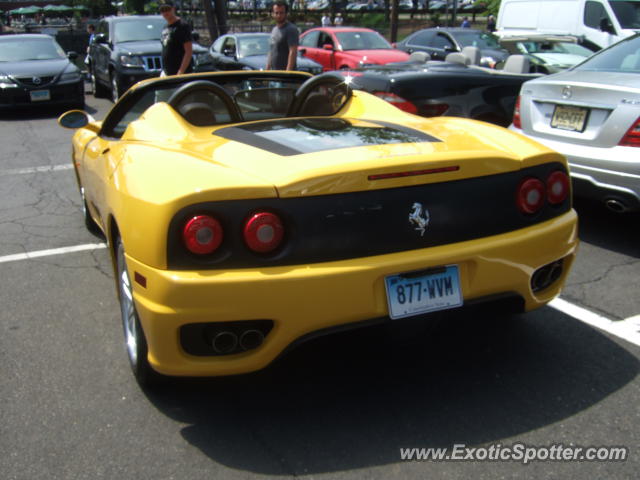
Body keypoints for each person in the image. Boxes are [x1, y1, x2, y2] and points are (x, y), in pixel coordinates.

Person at [159, 0, 193, 76]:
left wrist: (180, 72)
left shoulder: (182, 26)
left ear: (173, 9)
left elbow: (188, 51)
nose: (165, 12)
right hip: (167, 72)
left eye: (167, 9)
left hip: (180, 73)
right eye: (162, 10)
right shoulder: (165, 27)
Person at [266, 1, 299, 71]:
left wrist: (287, 73)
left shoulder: (291, 29)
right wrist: (267, 70)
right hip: (274, 74)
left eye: (281, 13)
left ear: (286, 14)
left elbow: (293, 52)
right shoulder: (274, 30)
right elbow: (271, 52)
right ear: (272, 14)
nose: (279, 15)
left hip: (285, 77)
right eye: (276, 13)